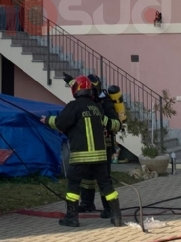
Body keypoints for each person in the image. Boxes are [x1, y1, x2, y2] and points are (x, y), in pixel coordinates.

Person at [41, 75, 123, 228]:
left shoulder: (74, 106)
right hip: (100, 156)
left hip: (81, 155)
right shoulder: (96, 107)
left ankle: (71, 218)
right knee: (106, 184)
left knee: (73, 184)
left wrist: (46, 120)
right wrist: (70, 80)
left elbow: (61, 123)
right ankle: (116, 217)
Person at [78, 73, 122, 217]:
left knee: (104, 178)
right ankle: (87, 203)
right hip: (89, 144)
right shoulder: (87, 102)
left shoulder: (105, 102)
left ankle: (109, 209)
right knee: (87, 177)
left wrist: (101, 117)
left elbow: (116, 124)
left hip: (105, 145)